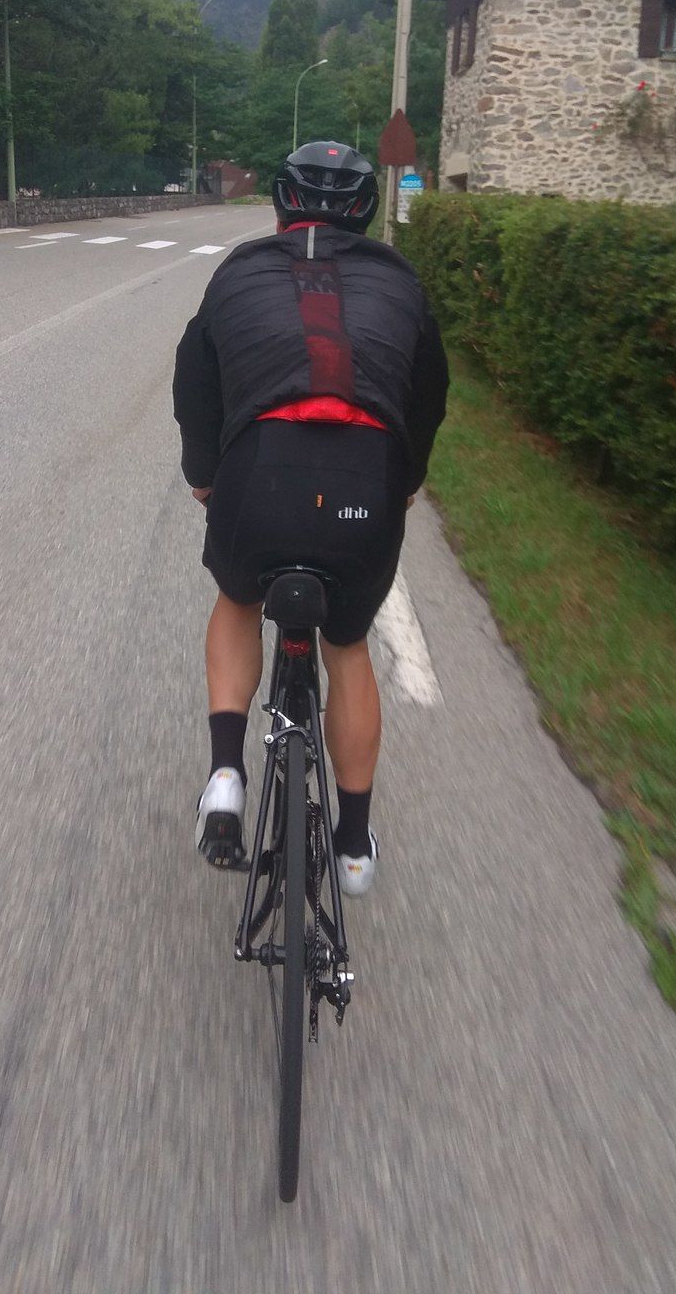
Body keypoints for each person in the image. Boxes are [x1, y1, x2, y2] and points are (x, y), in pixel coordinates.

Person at [173, 140, 449, 897]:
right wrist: (405, 484)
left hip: (257, 475)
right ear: (368, 213)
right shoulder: (400, 279)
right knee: (348, 645)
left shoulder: (240, 270)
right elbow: (427, 398)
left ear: (281, 205)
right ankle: (354, 845)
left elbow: (195, 380)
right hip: (366, 482)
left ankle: (227, 773)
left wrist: (205, 478)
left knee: (237, 600)